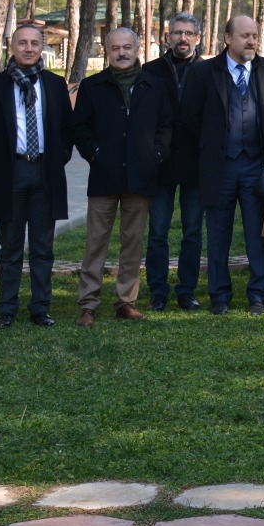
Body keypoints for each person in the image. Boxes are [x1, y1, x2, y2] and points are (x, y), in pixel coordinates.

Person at [181, 14, 264, 315]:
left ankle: (258, 296)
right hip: (220, 168)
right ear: (227, 38)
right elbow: (190, 117)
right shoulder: (203, 72)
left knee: (258, 235)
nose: (252, 40)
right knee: (217, 234)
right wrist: (211, 144)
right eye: (245, 36)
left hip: (257, 166)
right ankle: (220, 296)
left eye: (254, 35)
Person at [71, 27, 173, 326]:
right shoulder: (92, 86)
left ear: (137, 48)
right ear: (106, 51)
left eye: (127, 47)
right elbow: (80, 129)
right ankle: (88, 303)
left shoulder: (154, 85)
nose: (122, 53)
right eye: (115, 48)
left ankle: (126, 301)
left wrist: (156, 155)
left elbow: (166, 126)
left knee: (132, 243)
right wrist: (96, 154)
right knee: (95, 242)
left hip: (141, 177)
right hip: (104, 176)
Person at [0, 23, 73, 327]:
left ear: (41, 47)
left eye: (35, 43)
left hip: (46, 172)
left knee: (43, 246)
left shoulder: (55, 85)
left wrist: (57, 158)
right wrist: (1, 160)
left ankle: (40, 308)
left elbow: (65, 130)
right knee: (10, 247)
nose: (29, 48)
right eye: (23, 43)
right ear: (12, 47)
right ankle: (7, 309)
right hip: (12, 173)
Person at [141, 13, 206, 311]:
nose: (182, 38)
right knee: (158, 231)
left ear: (198, 38)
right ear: (167, 37)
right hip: (160, 163)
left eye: (188, 33)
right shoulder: (149, 71)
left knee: (192, 231)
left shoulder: (208, 72)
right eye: (177, 32)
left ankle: (186, 289)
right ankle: (158, 290)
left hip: (195, 163)